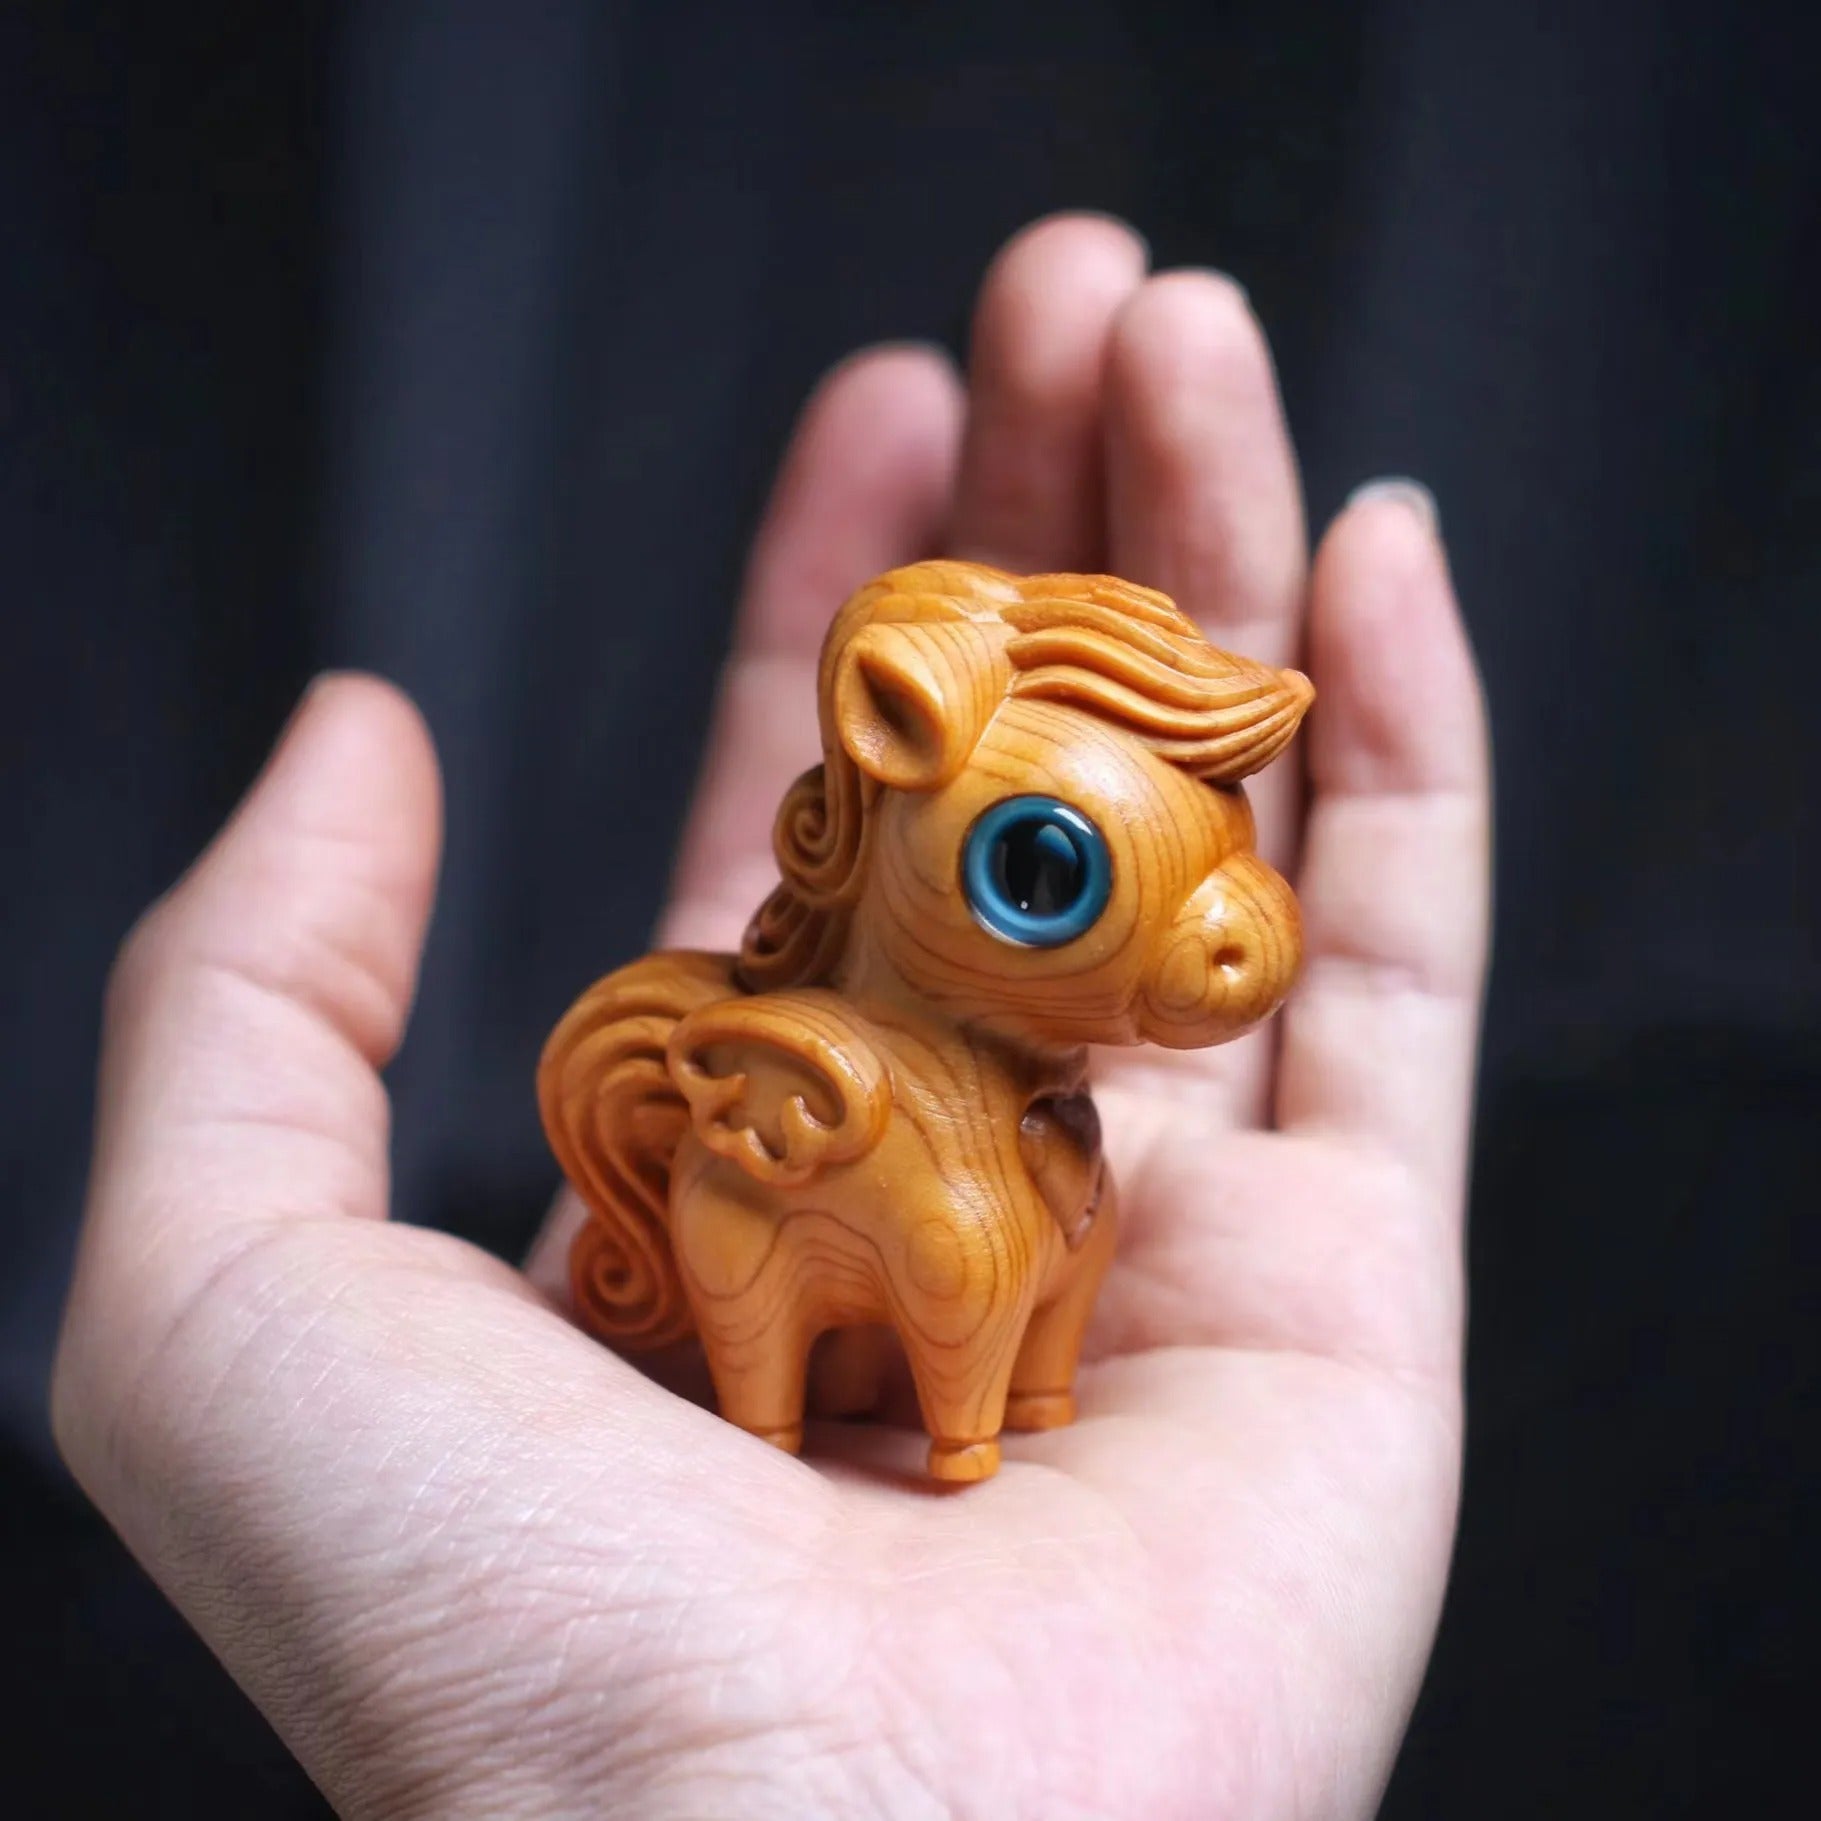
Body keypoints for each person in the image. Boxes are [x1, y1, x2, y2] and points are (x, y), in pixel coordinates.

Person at [49, 217, 1488, 1817]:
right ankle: (809, 1406)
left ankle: (979, 1396)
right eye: (1048, 872)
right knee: (902, 1252)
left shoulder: (1058, 1124)